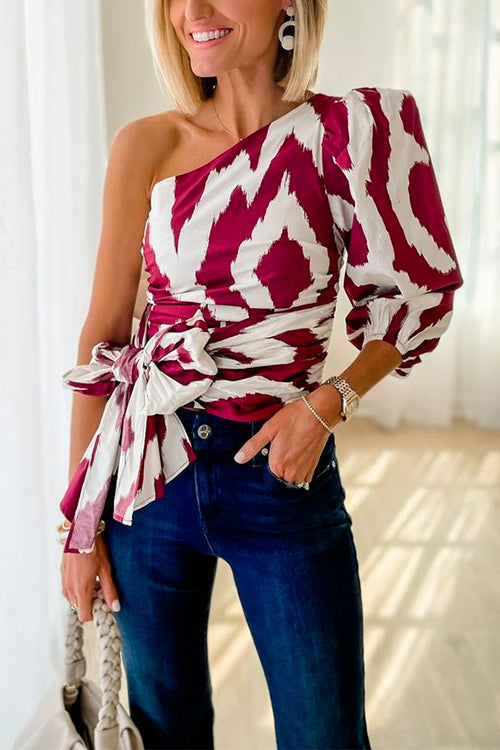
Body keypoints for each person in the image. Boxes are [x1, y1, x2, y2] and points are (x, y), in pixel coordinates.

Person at [59, 0, 464, 748]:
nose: (192, 12)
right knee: (165, 731)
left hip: (279, 473)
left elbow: (419, 294)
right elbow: (105, 338)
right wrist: (80, 526)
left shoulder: (346, 132)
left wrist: (329, 403)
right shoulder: (146, 144)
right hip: (150, 476)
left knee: (324, 733)